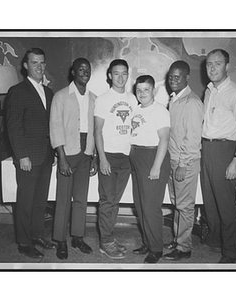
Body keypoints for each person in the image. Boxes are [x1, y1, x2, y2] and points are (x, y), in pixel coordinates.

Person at [200, 49, 236, 263]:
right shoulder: (209, 90)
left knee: (226, 204)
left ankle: (230, 253)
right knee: (210, 201)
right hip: (207, 149)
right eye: (209, 64)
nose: (212, 68)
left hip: (225, 151)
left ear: (227, 66)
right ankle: (215, 241)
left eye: (218, 64)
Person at [5, 48, 56, 259]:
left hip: (45, 155)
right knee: (25, 201)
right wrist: (21, 155)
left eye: (42, 63)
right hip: (27, 157)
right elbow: (13, 126)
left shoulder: (49, 92)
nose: (39, 67)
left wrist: (53, 153)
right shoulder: (17, 91)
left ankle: (36, 235)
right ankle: (24, 242)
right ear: (26, 65)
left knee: (40, 200)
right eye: (34, 63)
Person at [50, 58, 98, 260]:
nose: (84, 72)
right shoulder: (61, 96)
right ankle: (60, 240)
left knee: (81, 198)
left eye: (87, 69)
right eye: (81, 69)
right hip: (67, 153)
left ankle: (77, 237)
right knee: (63, 199)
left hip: (86, 152)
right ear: (73, 72)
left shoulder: (95, 98)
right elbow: (55, 127)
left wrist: (94, 156)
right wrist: (61, 157)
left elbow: (96, 130)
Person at [94, 59, 138, 259]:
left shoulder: (133, 99)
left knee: (115, 201)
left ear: (128, 75)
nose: (120, 78)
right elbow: (97, 131)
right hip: (109, 156)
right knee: (107, 201)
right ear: (110, 75)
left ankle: (109, 238)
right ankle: (105, 242)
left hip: (127, 156)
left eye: (124, 74)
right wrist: (102, 158)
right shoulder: (103, 99)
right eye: (116, 73)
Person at [162, 61, 204, 261]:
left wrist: (182, 164)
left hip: (184, 161)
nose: (173, 80)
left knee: (185, 206)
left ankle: (184, 247)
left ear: (187, 78)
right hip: (173, 158)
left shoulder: (192, 102)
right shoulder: (174, 99)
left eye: (177, 77)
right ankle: (178, 239)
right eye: (171, 76)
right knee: (177, 203)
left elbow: (193, 137)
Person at [130, 75, 170, 264]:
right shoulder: (136, 110)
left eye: (146, 89)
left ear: (154, 91)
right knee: (140, 205)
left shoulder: (160, 110)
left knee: (151, 207)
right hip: (138, 157)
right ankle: (147, 242)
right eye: (139, 90)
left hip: (153, 156)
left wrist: (156, 166)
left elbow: (164, 139)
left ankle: (156, 248)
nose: (142, 93)